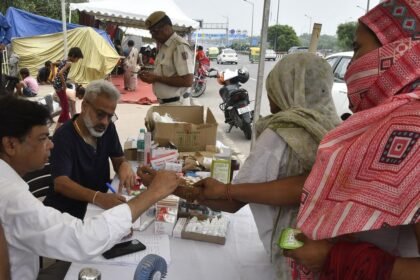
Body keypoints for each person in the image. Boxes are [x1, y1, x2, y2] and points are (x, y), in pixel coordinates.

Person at [140, 53, 340, 279]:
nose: (271, 97)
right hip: (328, 254)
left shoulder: (281, 134)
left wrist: (164, 186)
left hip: (292, 254)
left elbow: (232, 201)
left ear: (286, 89)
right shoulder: (337, 130)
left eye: (272, 89)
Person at [281, 1, 420, 279]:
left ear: (402, 49)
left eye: (357, 48)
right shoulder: (387, 120)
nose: (352, 66)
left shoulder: (412, 127)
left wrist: (336, 258)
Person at [0, 95, 178, 279]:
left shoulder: (9, 185)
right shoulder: (10, 197)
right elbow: (82, 240)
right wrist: (153, 193)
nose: (50, 144)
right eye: (43, 138)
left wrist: (123, 168)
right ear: (11, 145)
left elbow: (119, 159)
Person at [43, 80, 137, 219]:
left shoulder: (108, 128)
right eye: (100, 114)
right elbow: (61, 183)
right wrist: (98, 197)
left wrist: (124, 165)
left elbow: (118, 159)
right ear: (85, 106)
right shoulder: (64, 136)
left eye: (110, 116)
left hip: (97, 206)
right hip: (67, 212)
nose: (105, 122)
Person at [139, 11, 194, 105]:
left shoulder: (179, 46)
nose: (153, 36)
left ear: (166, 28)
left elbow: (187, 81)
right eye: (151, 32)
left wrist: (156, 78)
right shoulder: (164, 47)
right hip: (166, 103)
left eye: (155, 32)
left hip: (177, 104)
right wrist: (152, 76)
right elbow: (166, 72)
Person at [53, 47, 84, 132]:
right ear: (74, 56)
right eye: (77, 58)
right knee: (65, 109)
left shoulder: (64, 60)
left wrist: (54, 77)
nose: (77, 61)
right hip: (60, 86)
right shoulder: (69, 63)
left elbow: (54, 64)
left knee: (65, 108)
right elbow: (60, 73)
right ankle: (61, 128)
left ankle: (67, 125)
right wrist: (64, 84)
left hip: (56, 85)